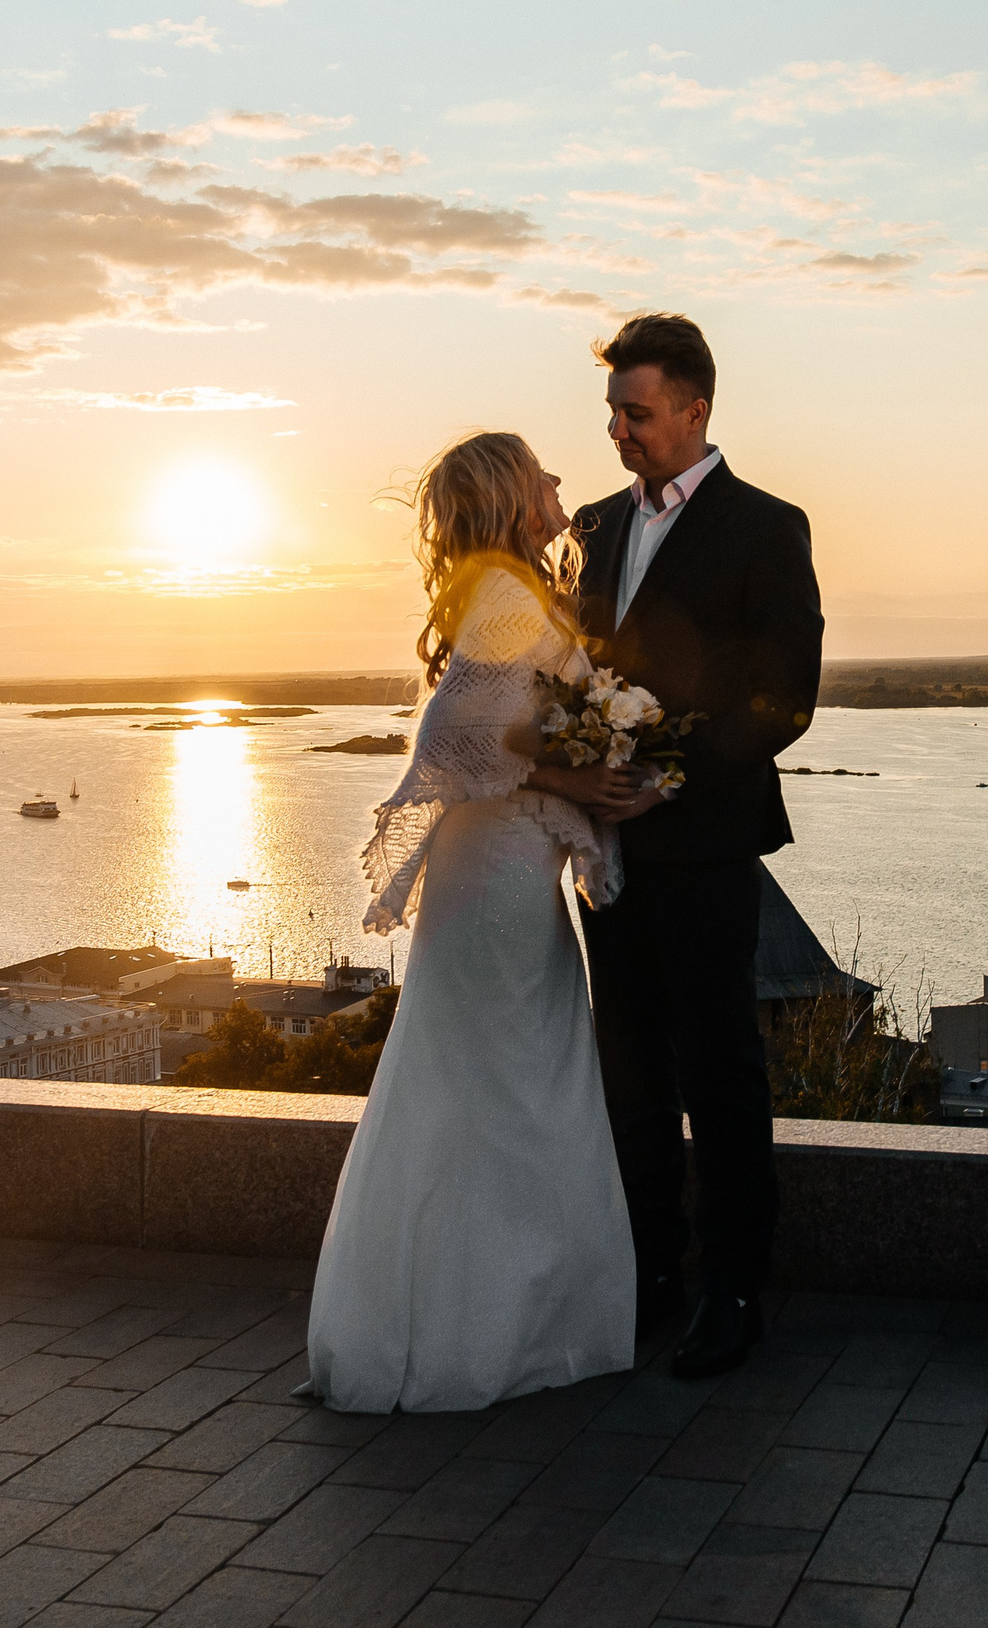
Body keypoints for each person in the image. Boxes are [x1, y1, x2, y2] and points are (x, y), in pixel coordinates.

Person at [304, 431, 641, 1413]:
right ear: (510, 496)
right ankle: (485, 1334)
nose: (559, 484)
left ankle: (453, 1321)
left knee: (484, 1083)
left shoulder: (500, 590)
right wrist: (574, 775)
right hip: (492, 879)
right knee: (508, 1086)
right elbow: (455, 738)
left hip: (498, 867)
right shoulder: (501, 593)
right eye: (542, 473)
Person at [575, 313, 824, 1379]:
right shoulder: (588, 525)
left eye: (635, 413)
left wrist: (664, 777)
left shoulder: (767, 527)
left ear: (693, 409)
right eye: (612, 415)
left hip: (708, 847)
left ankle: (733, 1289)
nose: (619, 433)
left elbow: (786, 696)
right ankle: (650, 1273)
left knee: (719, 1071)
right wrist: (583, 772)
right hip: (605, 856)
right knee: (624, 1071)